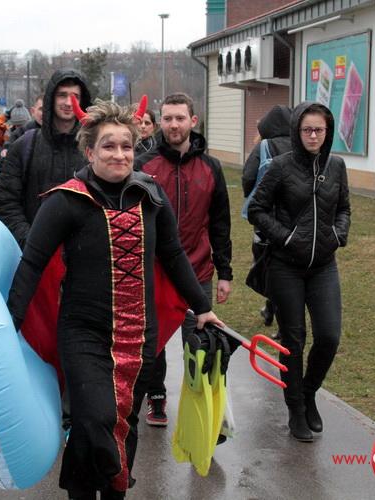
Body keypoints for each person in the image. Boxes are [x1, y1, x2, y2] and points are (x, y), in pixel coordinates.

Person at [7, 100, 222, 499]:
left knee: (126, 420)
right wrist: (9, 326)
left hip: (139, 335)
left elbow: (173, 256)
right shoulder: (65, 201)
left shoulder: (150, 195)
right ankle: (90, 487)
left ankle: (112, 492)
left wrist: (203, 307)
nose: (119, 154)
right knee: (96, 418)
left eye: (126, 146)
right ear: (90, 152)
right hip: (83, 333)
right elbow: (32, 265)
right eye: (109, 146)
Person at [248, 101, 351, 442]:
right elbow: (257, 209)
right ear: (296, 131)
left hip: (323, 266)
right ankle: (295, 409)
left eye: (319, 130)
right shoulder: (280, 166)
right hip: (286, 267)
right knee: (293, 340)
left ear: (328, 132)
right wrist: (287, 237)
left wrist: (338, 234)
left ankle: (308, 393)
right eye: (307, 130)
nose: (313, 136)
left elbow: (344, 208)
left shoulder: (336, 166)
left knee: (329, 336)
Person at [136, 93, 233, 427]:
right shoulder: (143, 166)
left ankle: (199, 405)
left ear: (193, 120)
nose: (173, 125)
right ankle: (156, 397)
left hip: (198, 270)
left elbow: (220, 223)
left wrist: (225, 272)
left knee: (199, 342)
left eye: (180, 118)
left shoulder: (211, 167)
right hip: (155, 272)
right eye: (167, 118)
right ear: (159, 122)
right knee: (154, 341)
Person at [0, 68, 91, 248]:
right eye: (62, 95)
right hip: (33, 252)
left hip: (83, 254)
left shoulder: (94, 148)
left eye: (75, 96)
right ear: (51, 98)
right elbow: (6, 201)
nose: (68, 102)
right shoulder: (25, 145)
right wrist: (30, 242)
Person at [242, 105, 292, 332]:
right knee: (286, 267)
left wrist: (253, 197)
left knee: (266, 264)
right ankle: (271, 309)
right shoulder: (300, 146)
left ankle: (277, 314)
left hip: (265, 218)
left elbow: (248, 176)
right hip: (294, 218)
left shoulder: (264, 146)